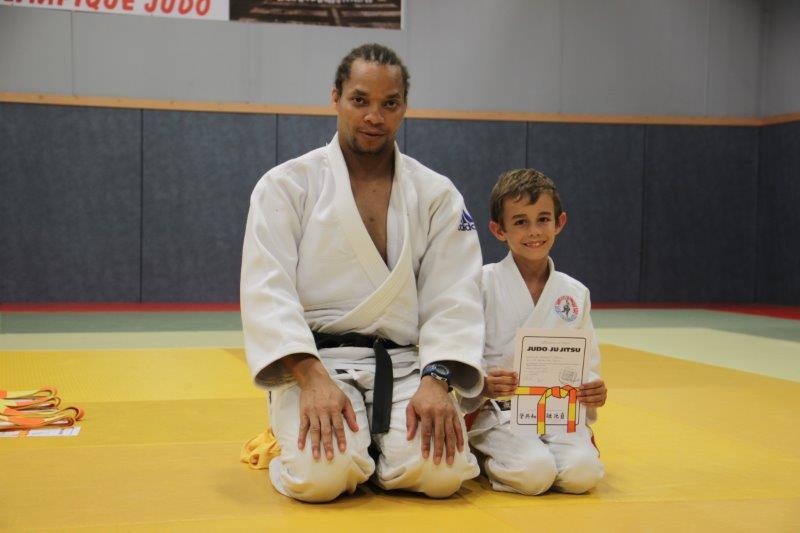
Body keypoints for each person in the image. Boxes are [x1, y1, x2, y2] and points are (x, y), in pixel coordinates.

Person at [240, 43, 484, 503]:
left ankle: (374, 450)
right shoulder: (287, 185)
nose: (375, 116)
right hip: (316, 364)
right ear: (335, 98)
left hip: (407, 366)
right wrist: (311, 379)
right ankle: (295, 444)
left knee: (442, 475)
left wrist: (437, 379)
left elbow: (455, 295)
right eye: (360, 100)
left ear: (404, 107)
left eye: (390, 103)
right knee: (321, 478)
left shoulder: (436, 194)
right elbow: (267, 291)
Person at [466, 169, 606, 495]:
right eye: (520, 222)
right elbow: (462, 350)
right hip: (499, 411)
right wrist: (482, 383)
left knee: (583, 475)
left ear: (559, 223)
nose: (534, 232)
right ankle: (482, 455)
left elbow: (588, 363)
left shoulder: (574, 292)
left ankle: (543, 453)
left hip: (559, 411)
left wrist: (593, 390)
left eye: (543, 219)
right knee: (534, 474)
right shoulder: (481, 284)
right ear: (498, 230)